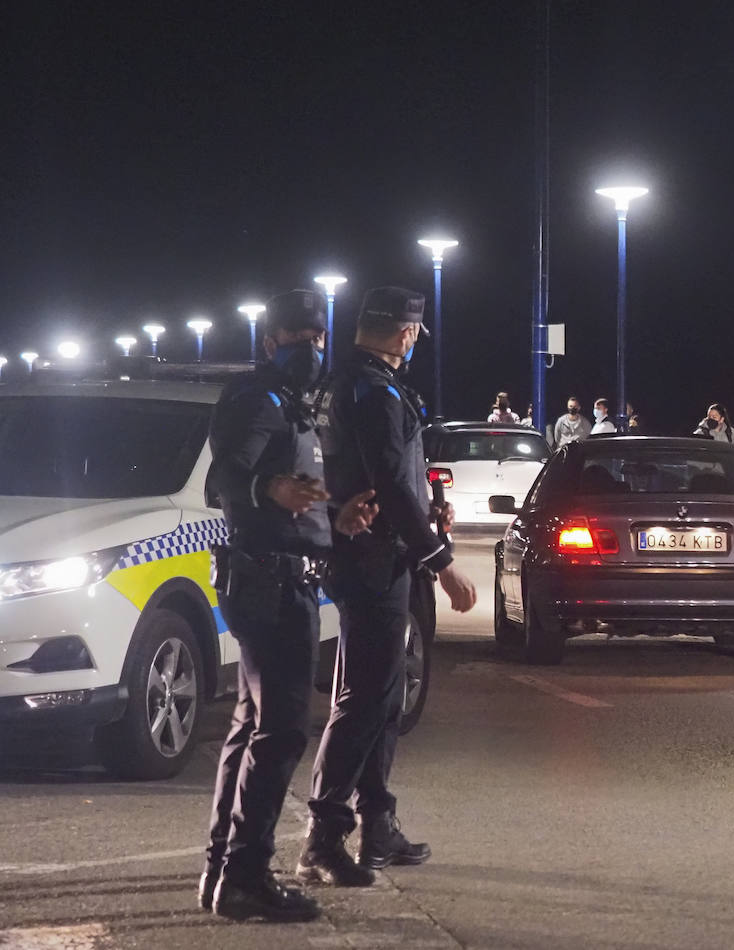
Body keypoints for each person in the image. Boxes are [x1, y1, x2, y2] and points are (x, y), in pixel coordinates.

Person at [200, 290, 378, 922]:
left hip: (287, 577)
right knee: (280, 732)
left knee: (254, 727)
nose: (314, 346)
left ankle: (226, 872)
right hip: (269, 585)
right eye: (300, 335)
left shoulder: (293, 406)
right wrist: (264, 486)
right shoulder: (258, 398)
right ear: (271, 339)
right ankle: (244, 876)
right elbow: (223, 481)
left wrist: (336, 518)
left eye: (320, 334)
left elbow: (292, 500)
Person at [300, 287, 478, 886]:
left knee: (380, 693)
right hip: (375, 558)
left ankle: (377, 822)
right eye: (413, 335)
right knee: (369, 697)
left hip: (371, 554)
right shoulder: (374, 391)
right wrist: (441, 558)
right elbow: (389, 483)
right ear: (406, 334)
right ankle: (324, 836)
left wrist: (427, 517)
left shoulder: (338, 383)